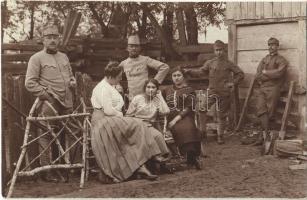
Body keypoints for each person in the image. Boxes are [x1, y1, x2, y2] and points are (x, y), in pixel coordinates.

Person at [91, 61, 165, 182]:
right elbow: (109, 110)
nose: (120, 79)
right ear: (111, 77)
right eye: (119, 77)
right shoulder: (102, 88)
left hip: (111, 120)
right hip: (103, 121)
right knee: (138, 124)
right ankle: (150, 156)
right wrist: (121, 114)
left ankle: (142, 164)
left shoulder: (109, 86)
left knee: (135, 127)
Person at [25, 24, 77, 182]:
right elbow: (30, 83)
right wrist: (45, 95)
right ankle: (47, 171)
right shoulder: (36, 58)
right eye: (49, 37)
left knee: (73, 132)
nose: (52, 40)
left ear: (59, 39)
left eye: (55, 37)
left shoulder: (64, 57)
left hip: (67, 101)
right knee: (47, 135)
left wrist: (73, 81)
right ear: (43, 40)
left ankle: (73, 167)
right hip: (50, 103)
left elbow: (70, 75)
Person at [186, 40, 244, 144]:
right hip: (212, 91)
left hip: (224, 93)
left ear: (224, 50)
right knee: (202, 108)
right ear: (214, 51)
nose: (219, 52)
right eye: (217, 50)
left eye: (220, 50)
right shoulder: (210, 63)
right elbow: (201, 71)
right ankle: (202, 132)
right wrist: (189, 71)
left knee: (221, 115)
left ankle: (220, 136)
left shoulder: (229, 63)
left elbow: (240, 74)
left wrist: (232, 83)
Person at [126, 79, 172, 173]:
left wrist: (160, 97)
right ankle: (154, 161)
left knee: (158, 135)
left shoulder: (157, 100)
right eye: (148, 87)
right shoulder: (137, 98)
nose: (150, 89)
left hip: (149, 125)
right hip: (137, 124)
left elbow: (166, 111)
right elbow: (128, 115)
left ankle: (162, 162)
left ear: (157, 89)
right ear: (145, 88)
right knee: (150, 136)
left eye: (153, 87)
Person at [163, 66, 202, 170]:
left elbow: (189, 107)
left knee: (188, 127)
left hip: (185, 115)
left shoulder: (189, 90)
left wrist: (177, 118)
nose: (176, 78)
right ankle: (189, 156)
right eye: (174, 76)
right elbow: (161, 103)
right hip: (170, 116)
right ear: (171, 77)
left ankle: (191, 155)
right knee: (177, 128)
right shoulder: (167, 90)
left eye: (179, 75)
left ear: (183, 77)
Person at [253, 37, 288, 146]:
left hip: (274, 88)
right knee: (261, 109)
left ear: (277, 46)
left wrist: (266, 72)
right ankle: (265, 136)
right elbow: (258, 74)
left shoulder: (281, 60)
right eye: (269, 45)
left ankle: (263, 137)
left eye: (273, 45)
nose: (271, 47)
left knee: (270, 112)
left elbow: (279, 74)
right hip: (263, 88)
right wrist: (269, 75)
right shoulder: (264, 59)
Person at [119, 34, 170, 101]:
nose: (134, 48)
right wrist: (118, 86)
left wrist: (154, 83)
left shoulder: (145, 60)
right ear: (127, 48)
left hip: (146, 97)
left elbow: (165, 67)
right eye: (131, 46)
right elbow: (114, 75)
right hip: (132, 98)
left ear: (140, 48)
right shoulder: (124, 63)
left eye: (136, 46)